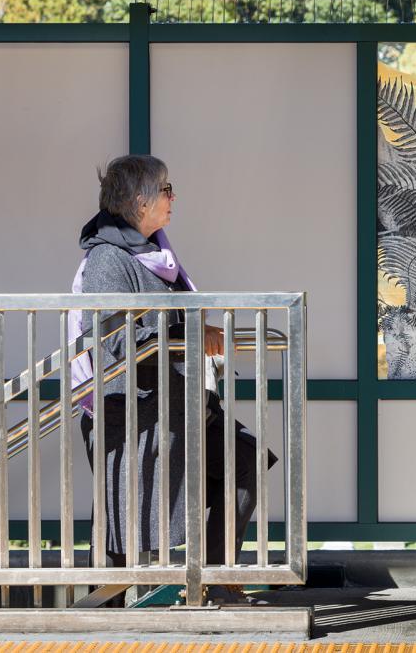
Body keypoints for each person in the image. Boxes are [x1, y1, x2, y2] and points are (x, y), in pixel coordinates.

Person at [71, 155, 275, 605]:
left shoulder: (154, 255)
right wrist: (191, 335)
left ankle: (212, 580)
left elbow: (168, 325)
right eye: (166, 188)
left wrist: (197, 335)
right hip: (132, 413)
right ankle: (99, 616)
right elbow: (116, 339)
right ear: (139, 201)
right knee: (128, 525)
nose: (172, 196)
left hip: (178, 404)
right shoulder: (108, 258)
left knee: (244, 464)